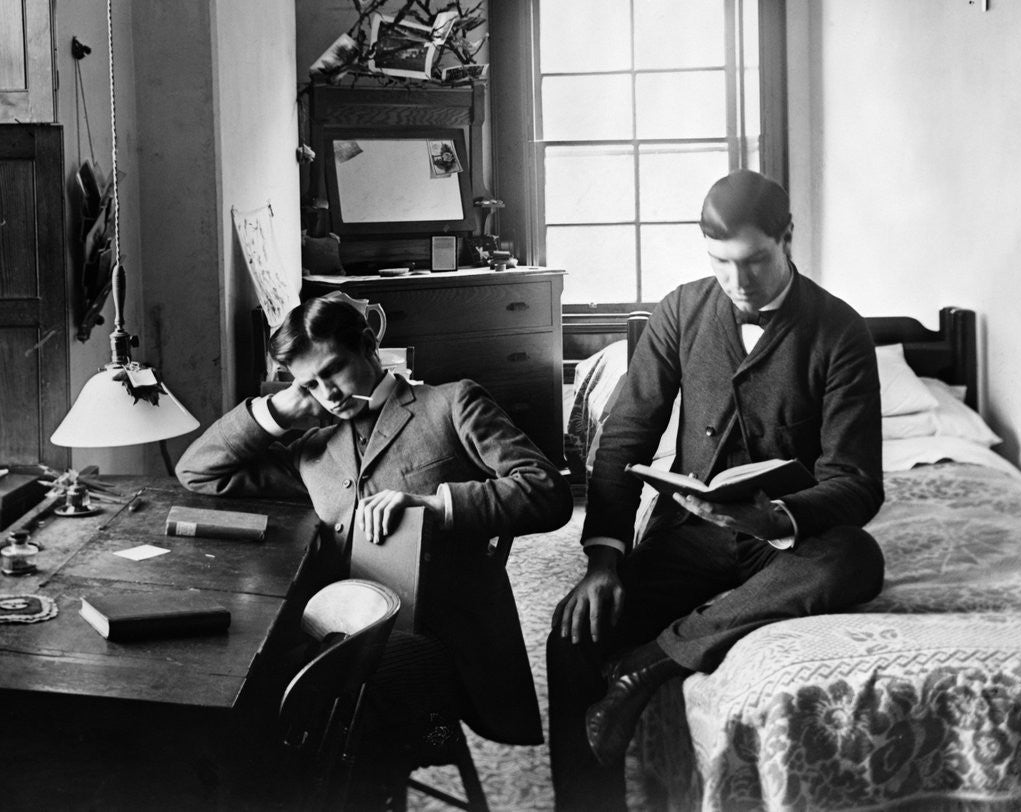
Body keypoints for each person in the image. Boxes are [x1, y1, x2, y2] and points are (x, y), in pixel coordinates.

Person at [547, 169, 886, 810]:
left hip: (781, 545)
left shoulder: (841, 332)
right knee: (573, 635)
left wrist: (777, 516)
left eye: (755, 261)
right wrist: (604, 559)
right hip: (686, 536)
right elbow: (625, 438)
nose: (738, 282)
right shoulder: (681, 310)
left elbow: (857, 481)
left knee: (855, 556)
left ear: (788, 239)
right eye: (720, 263)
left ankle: (652, 661)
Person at [176, 293, 573, 806]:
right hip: (347, 637)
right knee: (255, 690)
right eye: (309, 384)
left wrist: (437, 506)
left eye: (333, 371)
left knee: (344, 717)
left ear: (368, 346)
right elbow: (197, 472)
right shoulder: (314, 449)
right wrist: (277, 411)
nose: (328, 394)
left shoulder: (450, 404)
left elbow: (548, 492)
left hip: (437, 652)